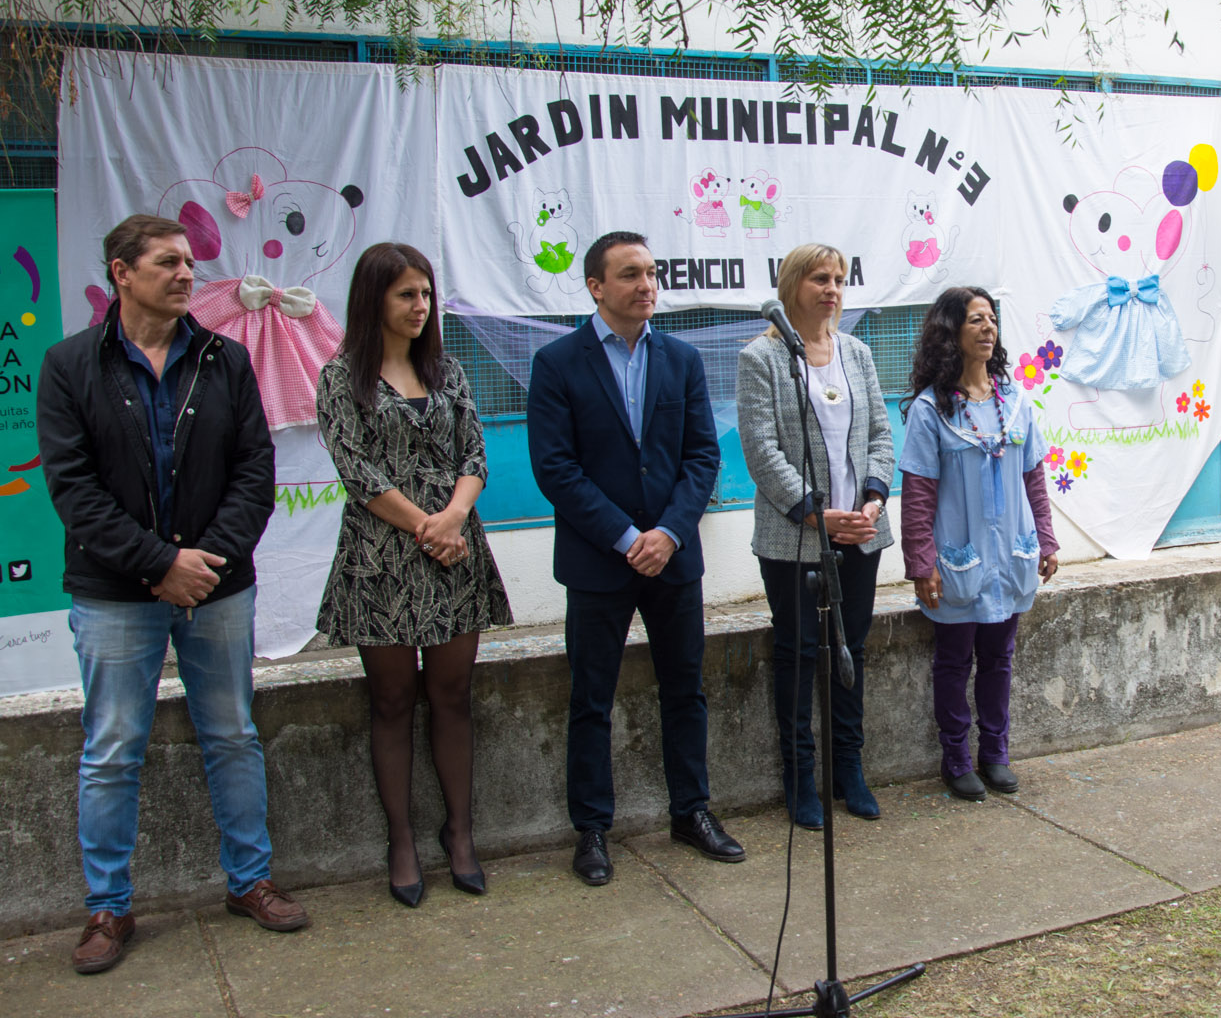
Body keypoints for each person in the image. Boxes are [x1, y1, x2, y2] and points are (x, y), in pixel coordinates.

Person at [37, 214, 308, 976]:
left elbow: (255, 471)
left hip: (217, 590)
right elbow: (74, 491)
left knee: (231, 735)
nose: (186, 273)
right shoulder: (68, 366)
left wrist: (204, 565)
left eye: (189, 262)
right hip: (115, 594)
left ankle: (250, 882)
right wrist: (159, 565)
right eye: (167, 262)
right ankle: (107, 907)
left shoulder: (224, 360)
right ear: (121, 272)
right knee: (112, 750)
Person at [527, 230, 741, 882]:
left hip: (672, 558)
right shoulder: (557, 363)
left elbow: (702, 455)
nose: (646, 285)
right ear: (595, 286)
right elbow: (556, 469)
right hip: (600, 562)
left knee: (686, 690)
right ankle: (592, 829)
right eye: (629, 275)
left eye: (651, 273)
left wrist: (670, 533)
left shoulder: (680, 360)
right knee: (592, 697)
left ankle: (692, 811)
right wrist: (626, 538)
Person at [314, 243, 511, 907]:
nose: (419, 306)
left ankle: (460, 833)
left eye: (425, 294)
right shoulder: (342, 377)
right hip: (383, 560)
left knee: (453, 695)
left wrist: (453, 517)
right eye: (406, 295)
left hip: (455, 552)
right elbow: (358, 471)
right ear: (374, 300)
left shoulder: (448, 370)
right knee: (393, 701)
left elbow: (475, 454)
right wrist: (425, 527)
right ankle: (401, 840)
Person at [737, 244, 895, 828]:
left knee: (849, 649)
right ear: (791, 284)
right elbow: (761, 449)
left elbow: (881, 432)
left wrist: (873, 500)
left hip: (861, 532)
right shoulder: (763, 357)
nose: (831, 289)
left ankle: (847, 768)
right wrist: (816, 514)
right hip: (795, 538)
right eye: (819, 278)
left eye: (838, 279)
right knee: (801, 653)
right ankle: (801, 778)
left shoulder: (856, 351)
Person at [899, 287, 1060, 801]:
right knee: (954, 660)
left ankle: (995, 753)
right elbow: (918, 495)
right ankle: (956, 758)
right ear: (952, 332)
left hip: (1010, 552)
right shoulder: (931, 411)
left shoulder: (1015, 402)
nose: (988, 329)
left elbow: (1034, 475)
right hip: (958, 559)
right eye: (975, 320)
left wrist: (1047, 539)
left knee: (1000, 658)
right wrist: (922, 563)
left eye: (991, 319)